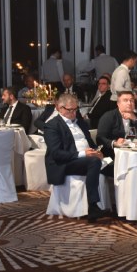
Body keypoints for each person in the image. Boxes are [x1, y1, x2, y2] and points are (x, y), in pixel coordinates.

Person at [42, 94, 109, 222]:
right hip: (65, 163)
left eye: (75, 109)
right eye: (70, 110)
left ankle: (122, 206)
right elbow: (56, 154)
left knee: (112, 164)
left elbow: (90, 142)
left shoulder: (80, 122)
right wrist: (84, 154)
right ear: (59, 108)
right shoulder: (52, 125)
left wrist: (97, 151)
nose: (74, 113)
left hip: (87, 158)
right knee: (94, 162)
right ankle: (93, 206)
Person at [96, 91, 137, 159]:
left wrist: (135, 120)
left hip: (135, 153)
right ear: (118, 104)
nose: (129, 103)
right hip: (113, 154)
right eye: (125, 100)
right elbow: (100, 138)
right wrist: (115, 143)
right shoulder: (109, 116)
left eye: (131, 100)